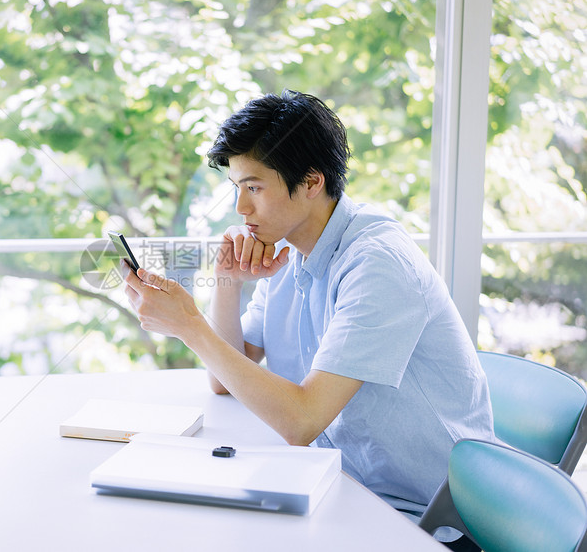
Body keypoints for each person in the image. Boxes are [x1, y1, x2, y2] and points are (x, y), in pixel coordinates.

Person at [120, 90, 494, 524]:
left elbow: (301, 422)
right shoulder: (290, 251)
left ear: (312, 182)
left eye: (254, 188)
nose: (241, 209)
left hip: (421, 514)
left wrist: (189, 325)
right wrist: (227, 281)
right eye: (237, 189)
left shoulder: (377, 264)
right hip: (342, 482)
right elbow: (227, 376)